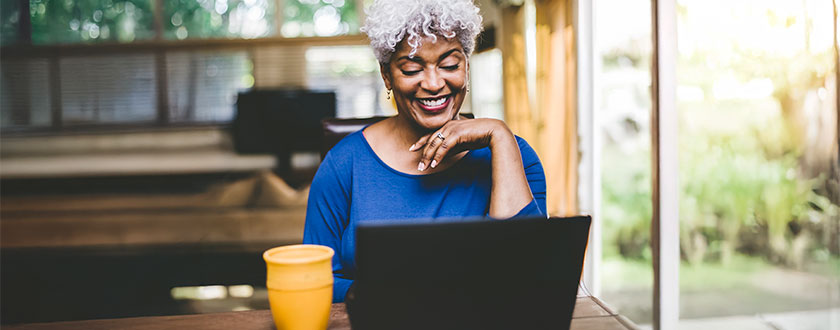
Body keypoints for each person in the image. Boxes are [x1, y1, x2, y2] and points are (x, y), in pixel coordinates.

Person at [303, 0, 547, 303]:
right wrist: (392, 298)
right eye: (411, 68)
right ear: (387, 76)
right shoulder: (343, 165)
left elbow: (531, 273)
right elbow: (315, 279)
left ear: (467, 67)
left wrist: (500, 135)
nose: (434, 84)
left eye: (450, 65)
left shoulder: (514, 156)